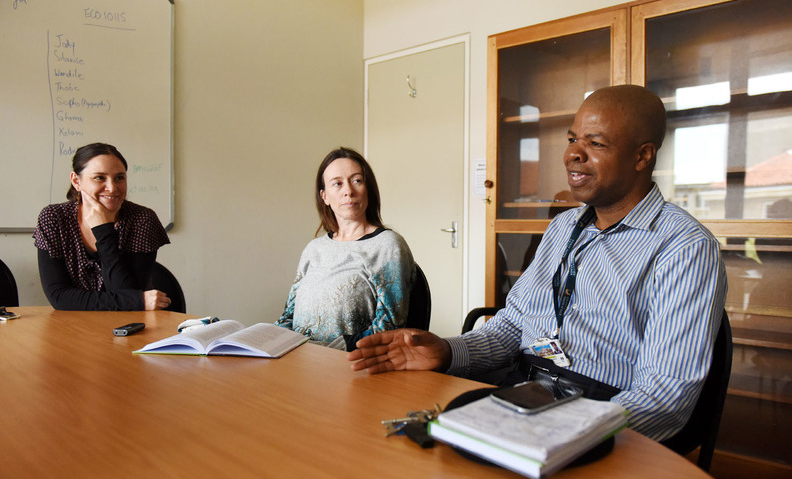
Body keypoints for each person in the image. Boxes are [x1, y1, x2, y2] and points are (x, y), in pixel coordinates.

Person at [348, 85, 728, 442]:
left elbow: (663, 397)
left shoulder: (684, 247)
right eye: (572, 139)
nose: (572, 155)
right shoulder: (564, 226)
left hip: (599, 409)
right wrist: (448, 351)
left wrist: (566, 435)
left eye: (595, 143)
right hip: (526, 391)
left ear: (642, 156)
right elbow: (514, 325)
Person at [275, 147, 416, 351]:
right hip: (298, 359)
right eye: (337, 184)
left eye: (357, 180)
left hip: (349, 363)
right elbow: (288, 316)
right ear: (324, 196)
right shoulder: (313, 249)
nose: (348, 191)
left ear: (369, 188)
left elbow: (389, 327)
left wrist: (326, 353)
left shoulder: (388, 246)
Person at [34, 143, 171, 311]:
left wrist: (103, 230)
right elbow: (59, 297)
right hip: (70, 326)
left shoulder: (142, 219)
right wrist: (135, 300)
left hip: (127, 327)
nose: (112, 188)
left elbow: (127, 294)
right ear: (76, 181)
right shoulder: (54, 218)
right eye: (99, 177)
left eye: (119, 178)